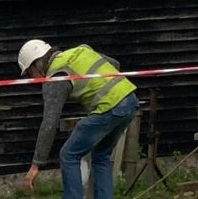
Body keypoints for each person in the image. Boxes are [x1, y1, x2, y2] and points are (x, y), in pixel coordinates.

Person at [17, 37, 140, 199]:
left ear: (35, 64)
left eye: (30, 73)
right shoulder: (80, 50)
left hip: (110, 107)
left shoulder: (56, 77)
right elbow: (115, 64)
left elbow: (49, 122)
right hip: (130, 100)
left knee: (68, 155)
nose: (33, 79)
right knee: (101, 155)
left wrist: (36, 164)